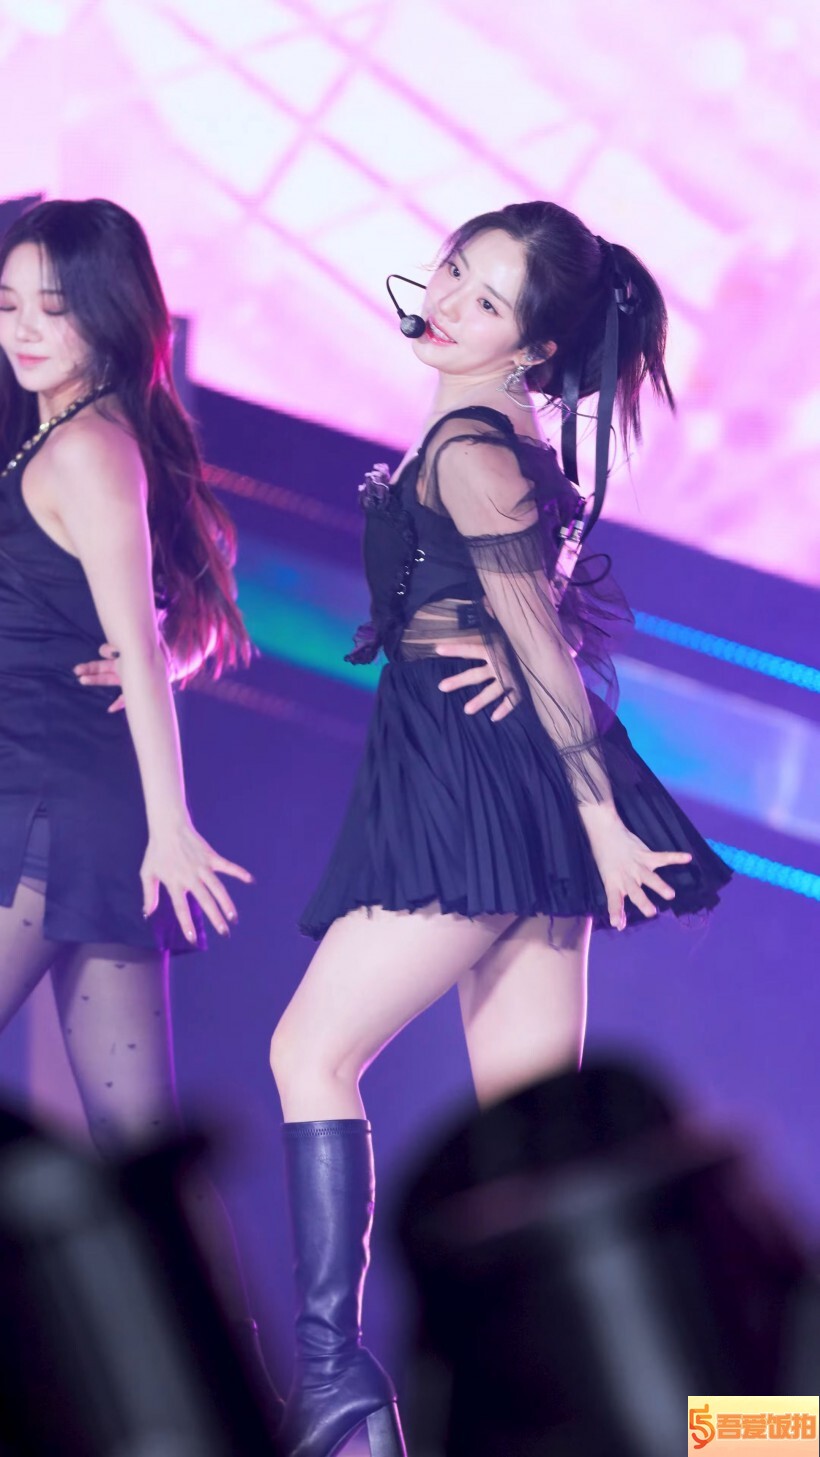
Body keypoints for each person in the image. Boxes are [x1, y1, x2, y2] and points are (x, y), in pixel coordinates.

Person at [267, 201, 732, 1457]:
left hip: (478, 790)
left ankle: (334, 1376)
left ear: (532, 348)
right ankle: (734, 1422)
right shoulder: (493, 438)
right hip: (490, 776)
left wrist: (600, 815)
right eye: (454, 272)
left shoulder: (476, 449)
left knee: (309, 1050)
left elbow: (541, 642)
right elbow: (536, 622)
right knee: (544, 1159)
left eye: (485, 300)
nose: (448, 305)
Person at [0, 198, 281, 1416]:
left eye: (54, 308)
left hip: (53, 815)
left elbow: (137, 644)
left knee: (135, 1152)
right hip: (65, 807)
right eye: (8, 302)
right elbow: (163, 641)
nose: (24, 328)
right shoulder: (75, 434)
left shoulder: (84, 448)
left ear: (111, 317)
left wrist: (170, 824)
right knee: (136, 1154)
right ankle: (229, 1398)